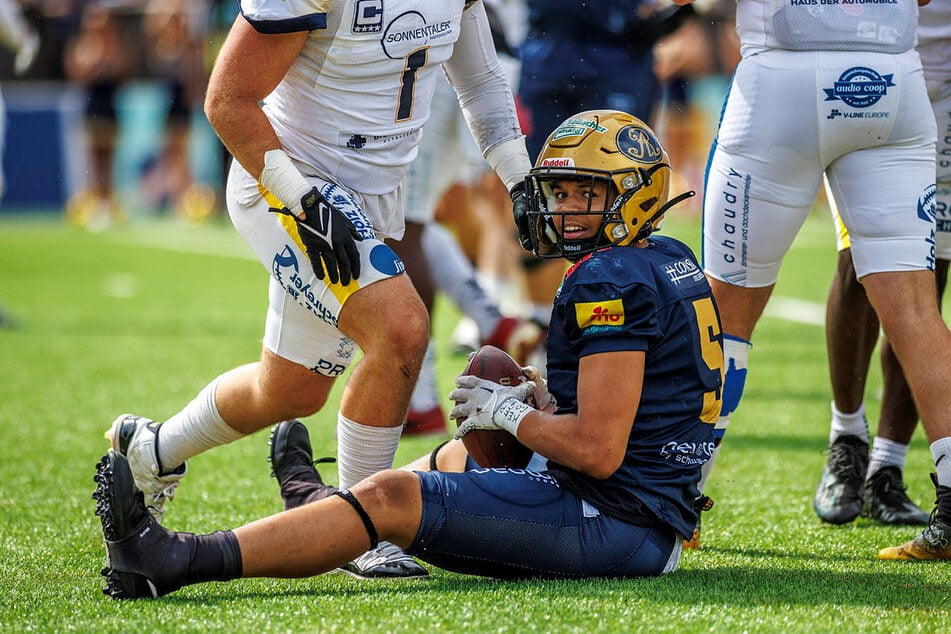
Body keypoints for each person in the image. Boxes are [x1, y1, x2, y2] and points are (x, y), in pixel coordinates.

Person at [92, 110, 722, 599]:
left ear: (635, 193)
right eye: (557, 192)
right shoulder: (667, 259)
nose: (563, 209)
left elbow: (597, 450)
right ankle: (325, 516)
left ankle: (173, 558)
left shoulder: (608, 280)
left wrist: (513, 415)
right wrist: (540, 399)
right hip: (638, 506)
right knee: (448, 457)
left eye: (584, 193)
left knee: (393, 497)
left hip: (615, 523)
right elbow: (647, 407)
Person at [103, 0, 534, 580]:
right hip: (289, 181)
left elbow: (481, 82)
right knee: (400, 330)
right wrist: (302, 201)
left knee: (290, 390)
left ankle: (152, 449)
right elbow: (227, 100)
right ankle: (362, 529)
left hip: (373, 193)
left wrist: (520, 181)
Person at [677, 0, 951, 559]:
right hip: (891, 80)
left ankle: (675, 499)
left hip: (783, 84)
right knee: (918, 315)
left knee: (724, 316)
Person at [814, 0, 950, 530]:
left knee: (929, 275)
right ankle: (845, 437)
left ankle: (886, 470)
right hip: (880, 72)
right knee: (860, 264)